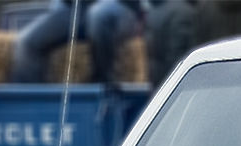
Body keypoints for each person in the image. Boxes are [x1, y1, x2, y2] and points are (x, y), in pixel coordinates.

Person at [9, 0, 145, 86]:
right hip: (75, 9)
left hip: (120, 6)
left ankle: (104, 86)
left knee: (97, 16)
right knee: (24, 42)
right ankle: (31, 105)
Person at [147, 0, 195, 90]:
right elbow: (177, 53)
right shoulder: (183, 12)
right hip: (174, 81)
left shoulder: (156, 10)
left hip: (159, 80)